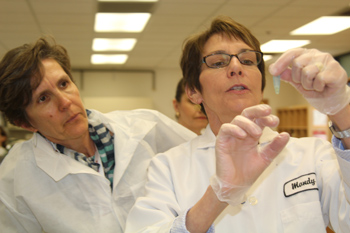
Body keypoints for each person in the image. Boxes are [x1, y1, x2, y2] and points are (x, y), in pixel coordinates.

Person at [125, 15, 350, 232]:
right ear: (193, 91)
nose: (236, 67)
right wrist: (218, 195)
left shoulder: (312, 155)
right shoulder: (168, 167)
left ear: (261, 82)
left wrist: (342, 111)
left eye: (248, 60)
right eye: (218, 62)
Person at [0, 37, 196, 232]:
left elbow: (206, 165)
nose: (65, 102)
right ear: (25, 123)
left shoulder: (146, 127)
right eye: (43, 98)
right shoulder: (15, 177)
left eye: (63, 84)